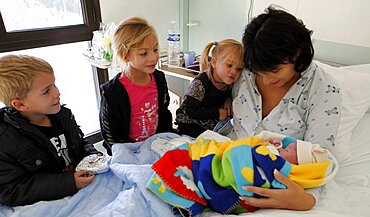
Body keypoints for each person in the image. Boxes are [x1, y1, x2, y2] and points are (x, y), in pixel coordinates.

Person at [229, 6, 342, 211]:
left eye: (274, 71)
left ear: (297, 55)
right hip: (227, 168)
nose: (265, 79)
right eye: (258, 72)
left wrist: (306, 201)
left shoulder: (323, 88)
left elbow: (320, 159)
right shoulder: (244, 69)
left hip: (278, 189)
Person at [147, 131, 334, 217]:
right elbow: (244, 148)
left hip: (239, 179)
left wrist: (307, 201)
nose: (283, 148)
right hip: (219, 152)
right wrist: (262, 143)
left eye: (289, 150)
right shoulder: (240, 76)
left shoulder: (282, 166)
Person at [0, 55, 100, 206]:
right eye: (46, 91)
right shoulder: (6, 141)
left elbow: (78, 144)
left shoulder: (61, 115)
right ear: (20, 104)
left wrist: (92, 155)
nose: (57, 93)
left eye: (54, 85)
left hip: (80, 187)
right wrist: (69, 182)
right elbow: (11, 190)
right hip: (52, 202)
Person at [99, 16, 173, 155]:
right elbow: (111, 136)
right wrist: (131, 155)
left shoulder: (159, 79)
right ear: (125, 55)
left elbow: (164, 114)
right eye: (144, 53)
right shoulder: (112, 93)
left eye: (155, 49)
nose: (153, 58)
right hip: (129, 153)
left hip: (157, 147)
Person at [175, 39, 244, 138]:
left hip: (210, 125)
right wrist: (217, 113)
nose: (234, 71)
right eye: (229, 65)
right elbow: (190, 110)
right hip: (189, 125)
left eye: (239, 69)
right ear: (214, 63)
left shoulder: (230, 82)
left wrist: (228, 99)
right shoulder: (200, 84)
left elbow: (228, 94)